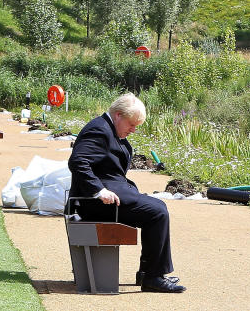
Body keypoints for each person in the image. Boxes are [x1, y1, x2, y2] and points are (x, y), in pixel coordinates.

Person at [67, 93, 186, 293]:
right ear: (118, 115)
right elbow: (78, 162)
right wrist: (98, 191)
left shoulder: (108, 128)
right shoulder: (99, 130)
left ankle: (148, 273)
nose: (133, 129)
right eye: (131, 124)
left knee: (159, 207)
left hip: (110, 196)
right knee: (157, 213)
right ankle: (153, 277)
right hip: (96, 202)